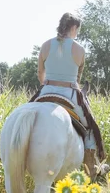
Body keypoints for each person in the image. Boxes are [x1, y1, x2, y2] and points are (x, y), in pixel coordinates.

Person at [34, 12, 105, 180]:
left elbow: (40, 73)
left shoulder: (45, 45)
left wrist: (48, 84)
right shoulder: (79, 49)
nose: (77, 33)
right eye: (77, 30)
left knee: (26, 111)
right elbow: (78, 78)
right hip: (70, 94)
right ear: (73, 28)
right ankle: (91, 169)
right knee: (89, 127)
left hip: (46, 91)